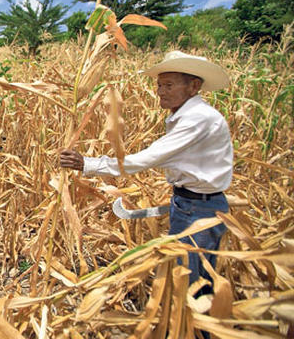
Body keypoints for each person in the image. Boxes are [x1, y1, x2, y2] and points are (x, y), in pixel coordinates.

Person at [60, 50, 232, 293]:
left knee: (192, 286)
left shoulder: (198, 119)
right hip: (191, 204)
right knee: (191, 276)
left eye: (169, 85)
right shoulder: (188, 116)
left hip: (198, 210)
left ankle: (194, 330)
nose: (160, 92)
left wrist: (87, 164)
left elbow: (145, 160)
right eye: (159, 85)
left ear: (193, 86)